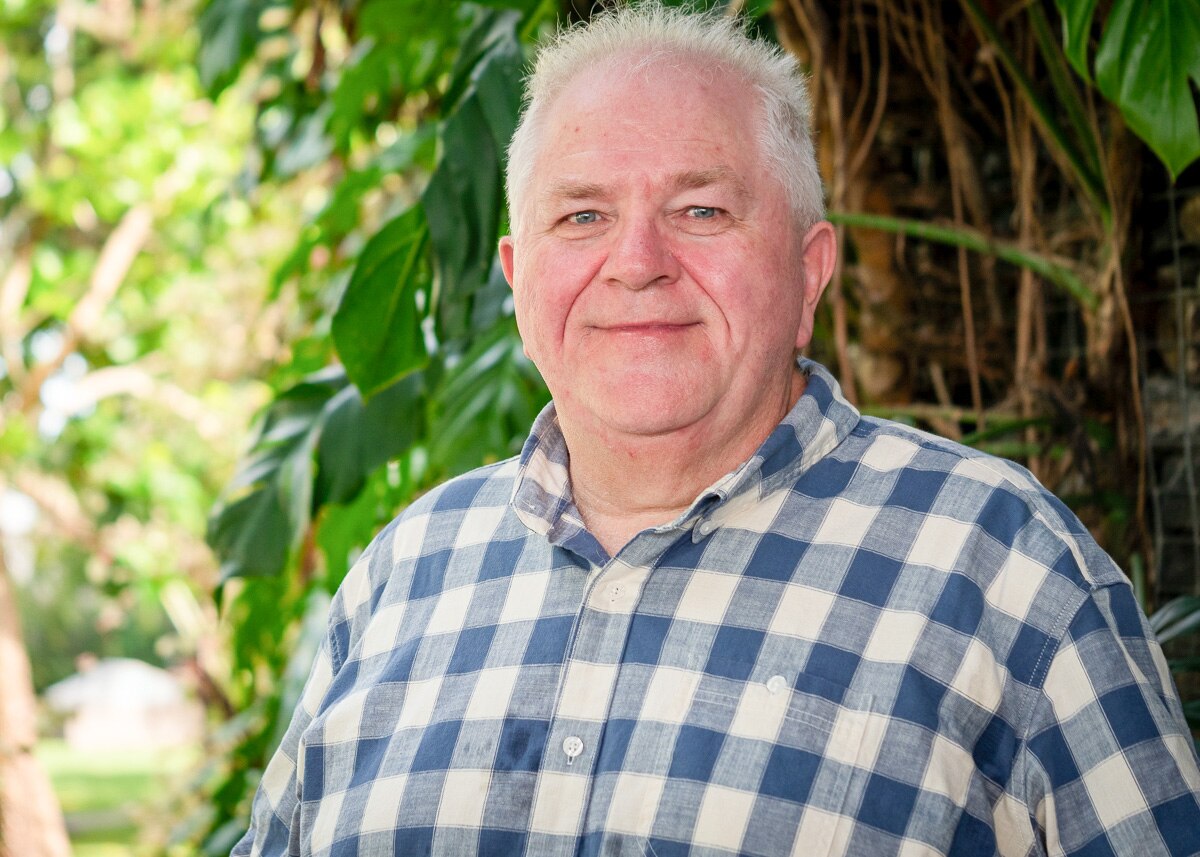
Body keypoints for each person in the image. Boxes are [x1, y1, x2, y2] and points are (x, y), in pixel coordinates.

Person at [232, 5, 1200, 856]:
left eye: (700, 208)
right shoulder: (406, 576)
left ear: (810, 271)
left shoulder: (1005, 570)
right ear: (518, 275)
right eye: (582, 215)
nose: (637, 261)